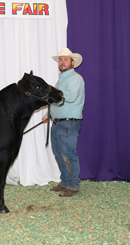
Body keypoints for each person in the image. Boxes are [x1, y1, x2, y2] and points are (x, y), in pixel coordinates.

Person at [42, 48, 85, 197]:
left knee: (68, 154)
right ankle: (65, 182)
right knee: (59, 154)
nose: (62, 62)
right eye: (60, 59)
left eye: (65, 59)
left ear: (73, 62)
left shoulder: (75, 78)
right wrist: (49, 113)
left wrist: (55, 91)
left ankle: (73, 186)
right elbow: (57, 101)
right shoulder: (61, 80)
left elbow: (71, 97)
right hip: (59, 122)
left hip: (68, 123)